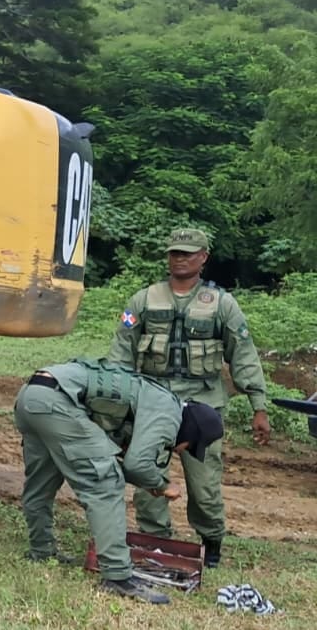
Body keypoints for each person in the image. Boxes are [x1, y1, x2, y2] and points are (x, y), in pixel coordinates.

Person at [107, 227, 271, 568]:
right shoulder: (144, 299)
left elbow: (242, 353)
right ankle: (155, 542)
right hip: (152, 404)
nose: (179, 258)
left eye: (187, 252)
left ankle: (211, 544)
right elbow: (122, 351)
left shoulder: (221, 304)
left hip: (202, 408)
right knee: (147, 478)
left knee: (204, 485)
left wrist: (259, 405)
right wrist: (117, 401)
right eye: (174, 252)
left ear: (203, 257)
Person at [13, 358, 224, 605]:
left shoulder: (158, 398)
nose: (180, 450)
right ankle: (117, 576)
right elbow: (136, 464)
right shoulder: (169, 413)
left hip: (33, 396)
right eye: (188, 447)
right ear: (191, 430)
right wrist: (162, 485)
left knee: (41, 483)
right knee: (106, 482)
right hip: (59, 402)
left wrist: (149, 480)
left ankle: (41, 551)